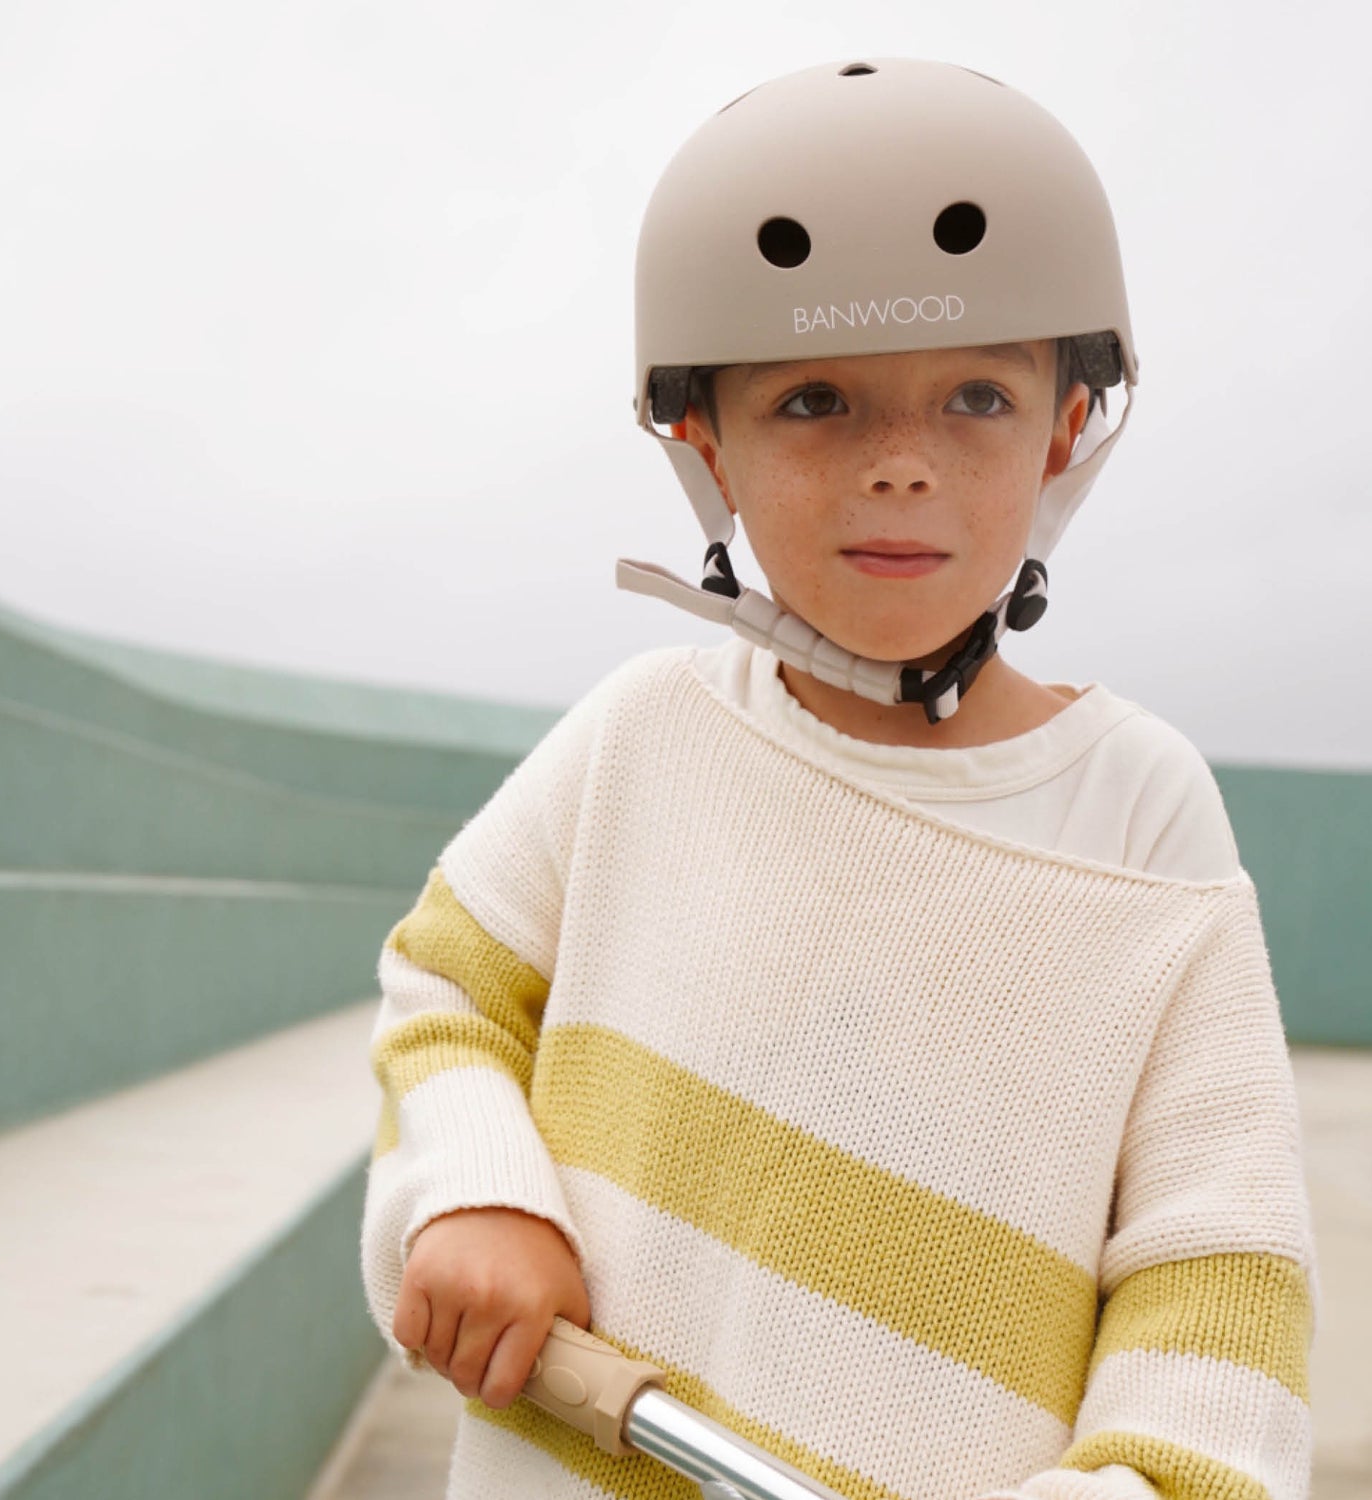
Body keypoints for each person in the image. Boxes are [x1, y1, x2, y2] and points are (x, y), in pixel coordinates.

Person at [361, 58, 1316, 1500]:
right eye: (816, 401)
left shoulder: (1143, 822)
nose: (901, 466)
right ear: (706, 442)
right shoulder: (645, 735)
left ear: (1065, 432)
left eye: (978, 399)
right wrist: (478, 1192)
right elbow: (448, 988)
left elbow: (1220, 1269)